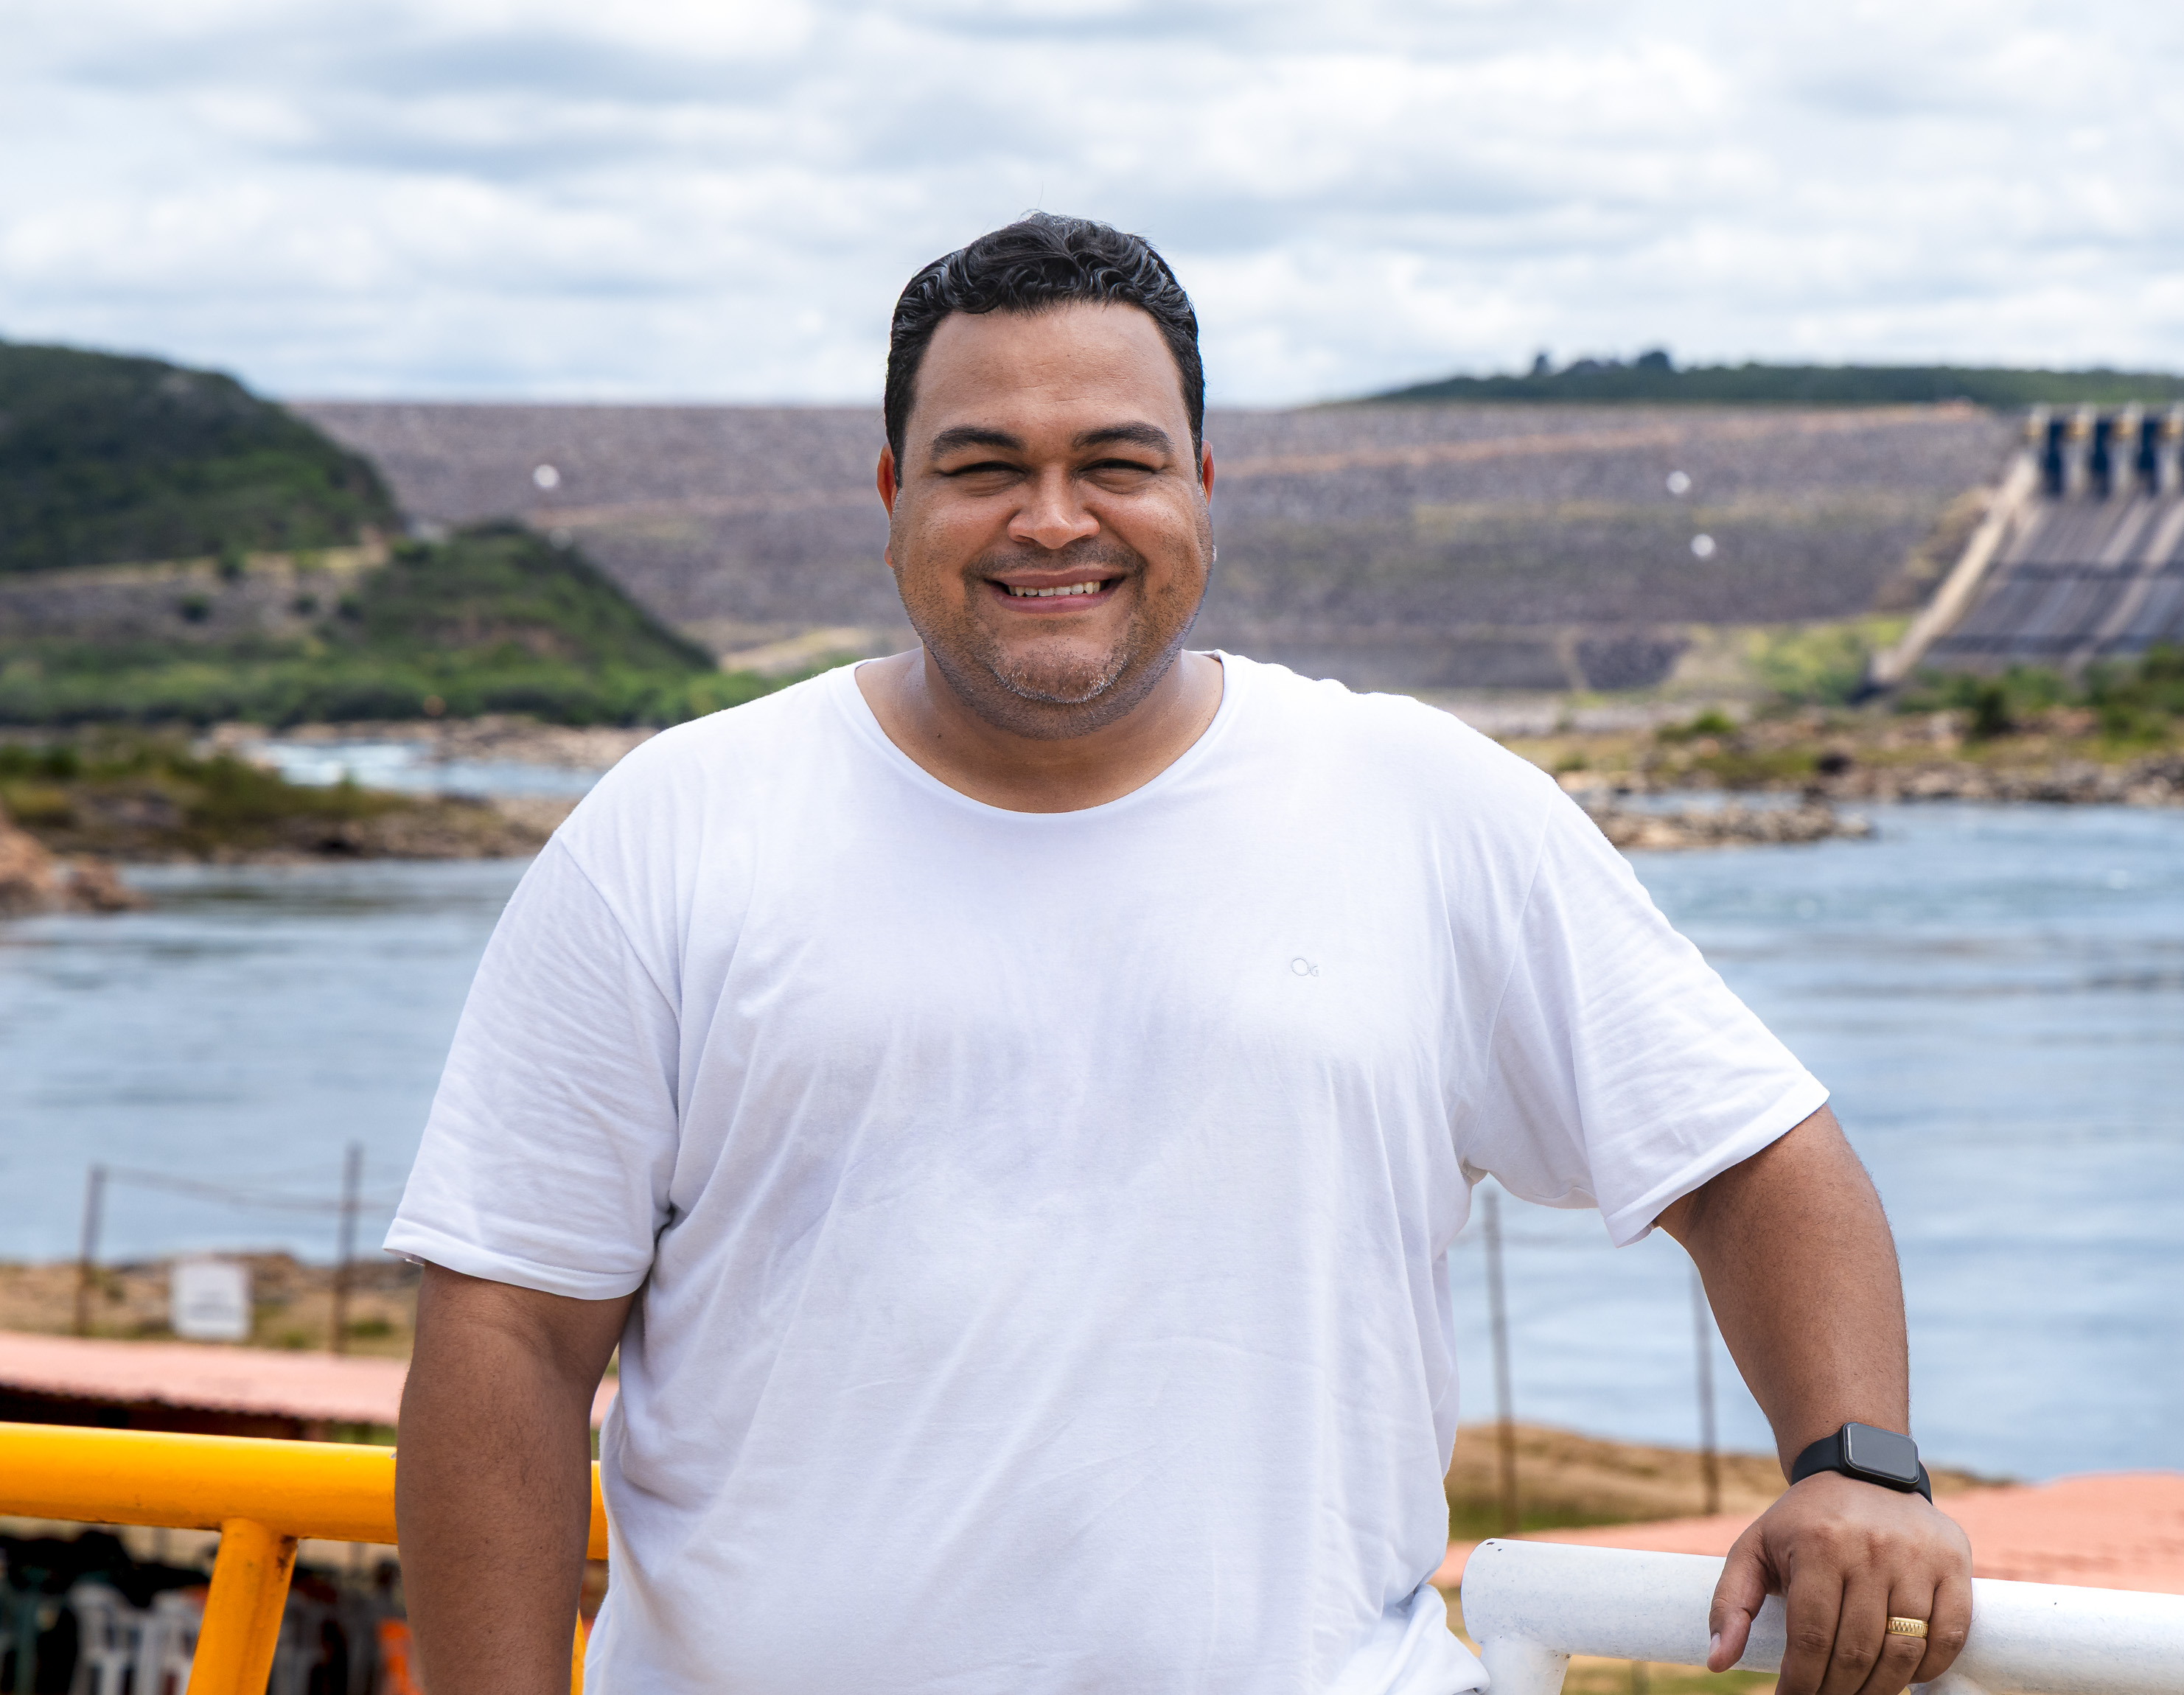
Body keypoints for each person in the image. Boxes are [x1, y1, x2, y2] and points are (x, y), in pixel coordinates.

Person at [389, 212, 1972, 1695]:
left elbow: (1751, 1155)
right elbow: (510, 1338)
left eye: (1118, 462)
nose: (1053, 518)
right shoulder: (674, 828)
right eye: (983, 464)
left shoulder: (1421, 804)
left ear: (1203, 481)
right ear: (891, 495)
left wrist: (1854, 1461)